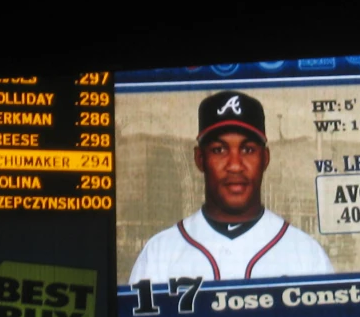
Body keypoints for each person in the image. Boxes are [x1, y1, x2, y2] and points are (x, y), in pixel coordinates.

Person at [129, 90, 334, 284]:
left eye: (248, 149)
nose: (235, 165)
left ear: (265, 159)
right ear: (200, 159)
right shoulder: (159, 254)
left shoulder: (307, 255)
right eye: (219, 150)